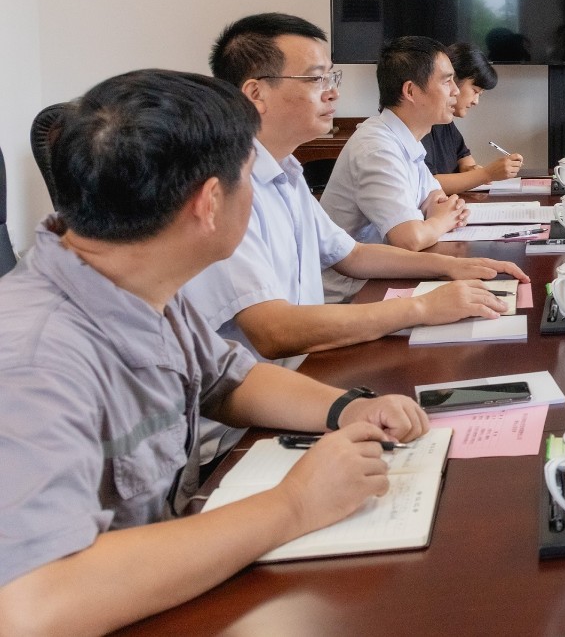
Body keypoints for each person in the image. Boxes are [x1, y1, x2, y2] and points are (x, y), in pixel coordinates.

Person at [0, 70, 429, 636]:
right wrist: (294, 505)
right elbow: (32, 605)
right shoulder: (34, 360)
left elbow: (230, 379)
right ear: (209, 202)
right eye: (249, 177)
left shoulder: (134, 277)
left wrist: (348, 408)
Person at [186, 15, 527, 378]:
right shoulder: (224, 189)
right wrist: (422, 308)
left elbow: (352, 254)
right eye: (315, 79)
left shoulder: (286, 172)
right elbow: (274, 331)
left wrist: (450, 267)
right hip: (257, 389)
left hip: (305, 359)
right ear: (256, 94)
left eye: (331, 78)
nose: (333, 93)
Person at [319, 36, 472, 300]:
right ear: (410, 91)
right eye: (447, 81)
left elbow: (436, 198)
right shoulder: (377, 147)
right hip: (351, 297)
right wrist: (442, 221)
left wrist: (437, 216)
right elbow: (410, 239)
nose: (456, 92)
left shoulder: (404, 138)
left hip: (384, 279)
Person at [423, 42, 524, 196]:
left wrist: (471, 170)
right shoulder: (421, 124)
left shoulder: (445, 121)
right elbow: (427, 184)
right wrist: (486, 174)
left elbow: (464, 159)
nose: (476, 101)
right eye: (475, 91)